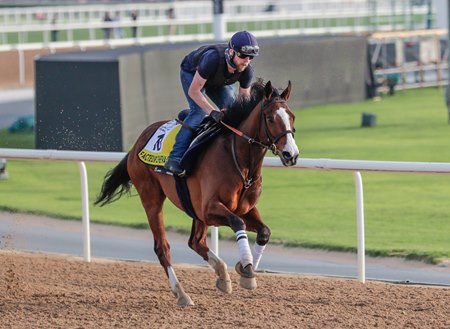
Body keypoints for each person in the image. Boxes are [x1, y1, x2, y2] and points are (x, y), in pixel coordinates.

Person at [164, 30, 260, 175]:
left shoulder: (247, 70)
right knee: (199, 111)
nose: (246, 61)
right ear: (232, 52)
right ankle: (174, 157)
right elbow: (194, 91)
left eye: (250, 57)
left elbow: (242, 103)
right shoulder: (212, 59)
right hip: (192, 73)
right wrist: (212, 112)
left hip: (217, 79)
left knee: (231, 110)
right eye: (243, 56)